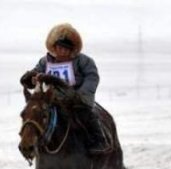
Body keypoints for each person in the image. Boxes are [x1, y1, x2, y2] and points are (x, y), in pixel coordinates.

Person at [20, 23, 107, 154]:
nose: (62, 51)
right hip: (51, 99)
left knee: (86, 115)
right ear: (54, 47)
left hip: (75, 98)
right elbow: (36, 73)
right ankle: (30, 142)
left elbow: (92, 77)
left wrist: (81, 94)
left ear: (72, 50)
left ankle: (99, 141)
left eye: (66, 49)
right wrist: (30, 78)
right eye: (60, 47)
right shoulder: (45, 61)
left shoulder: (84, 61)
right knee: (34, 114)